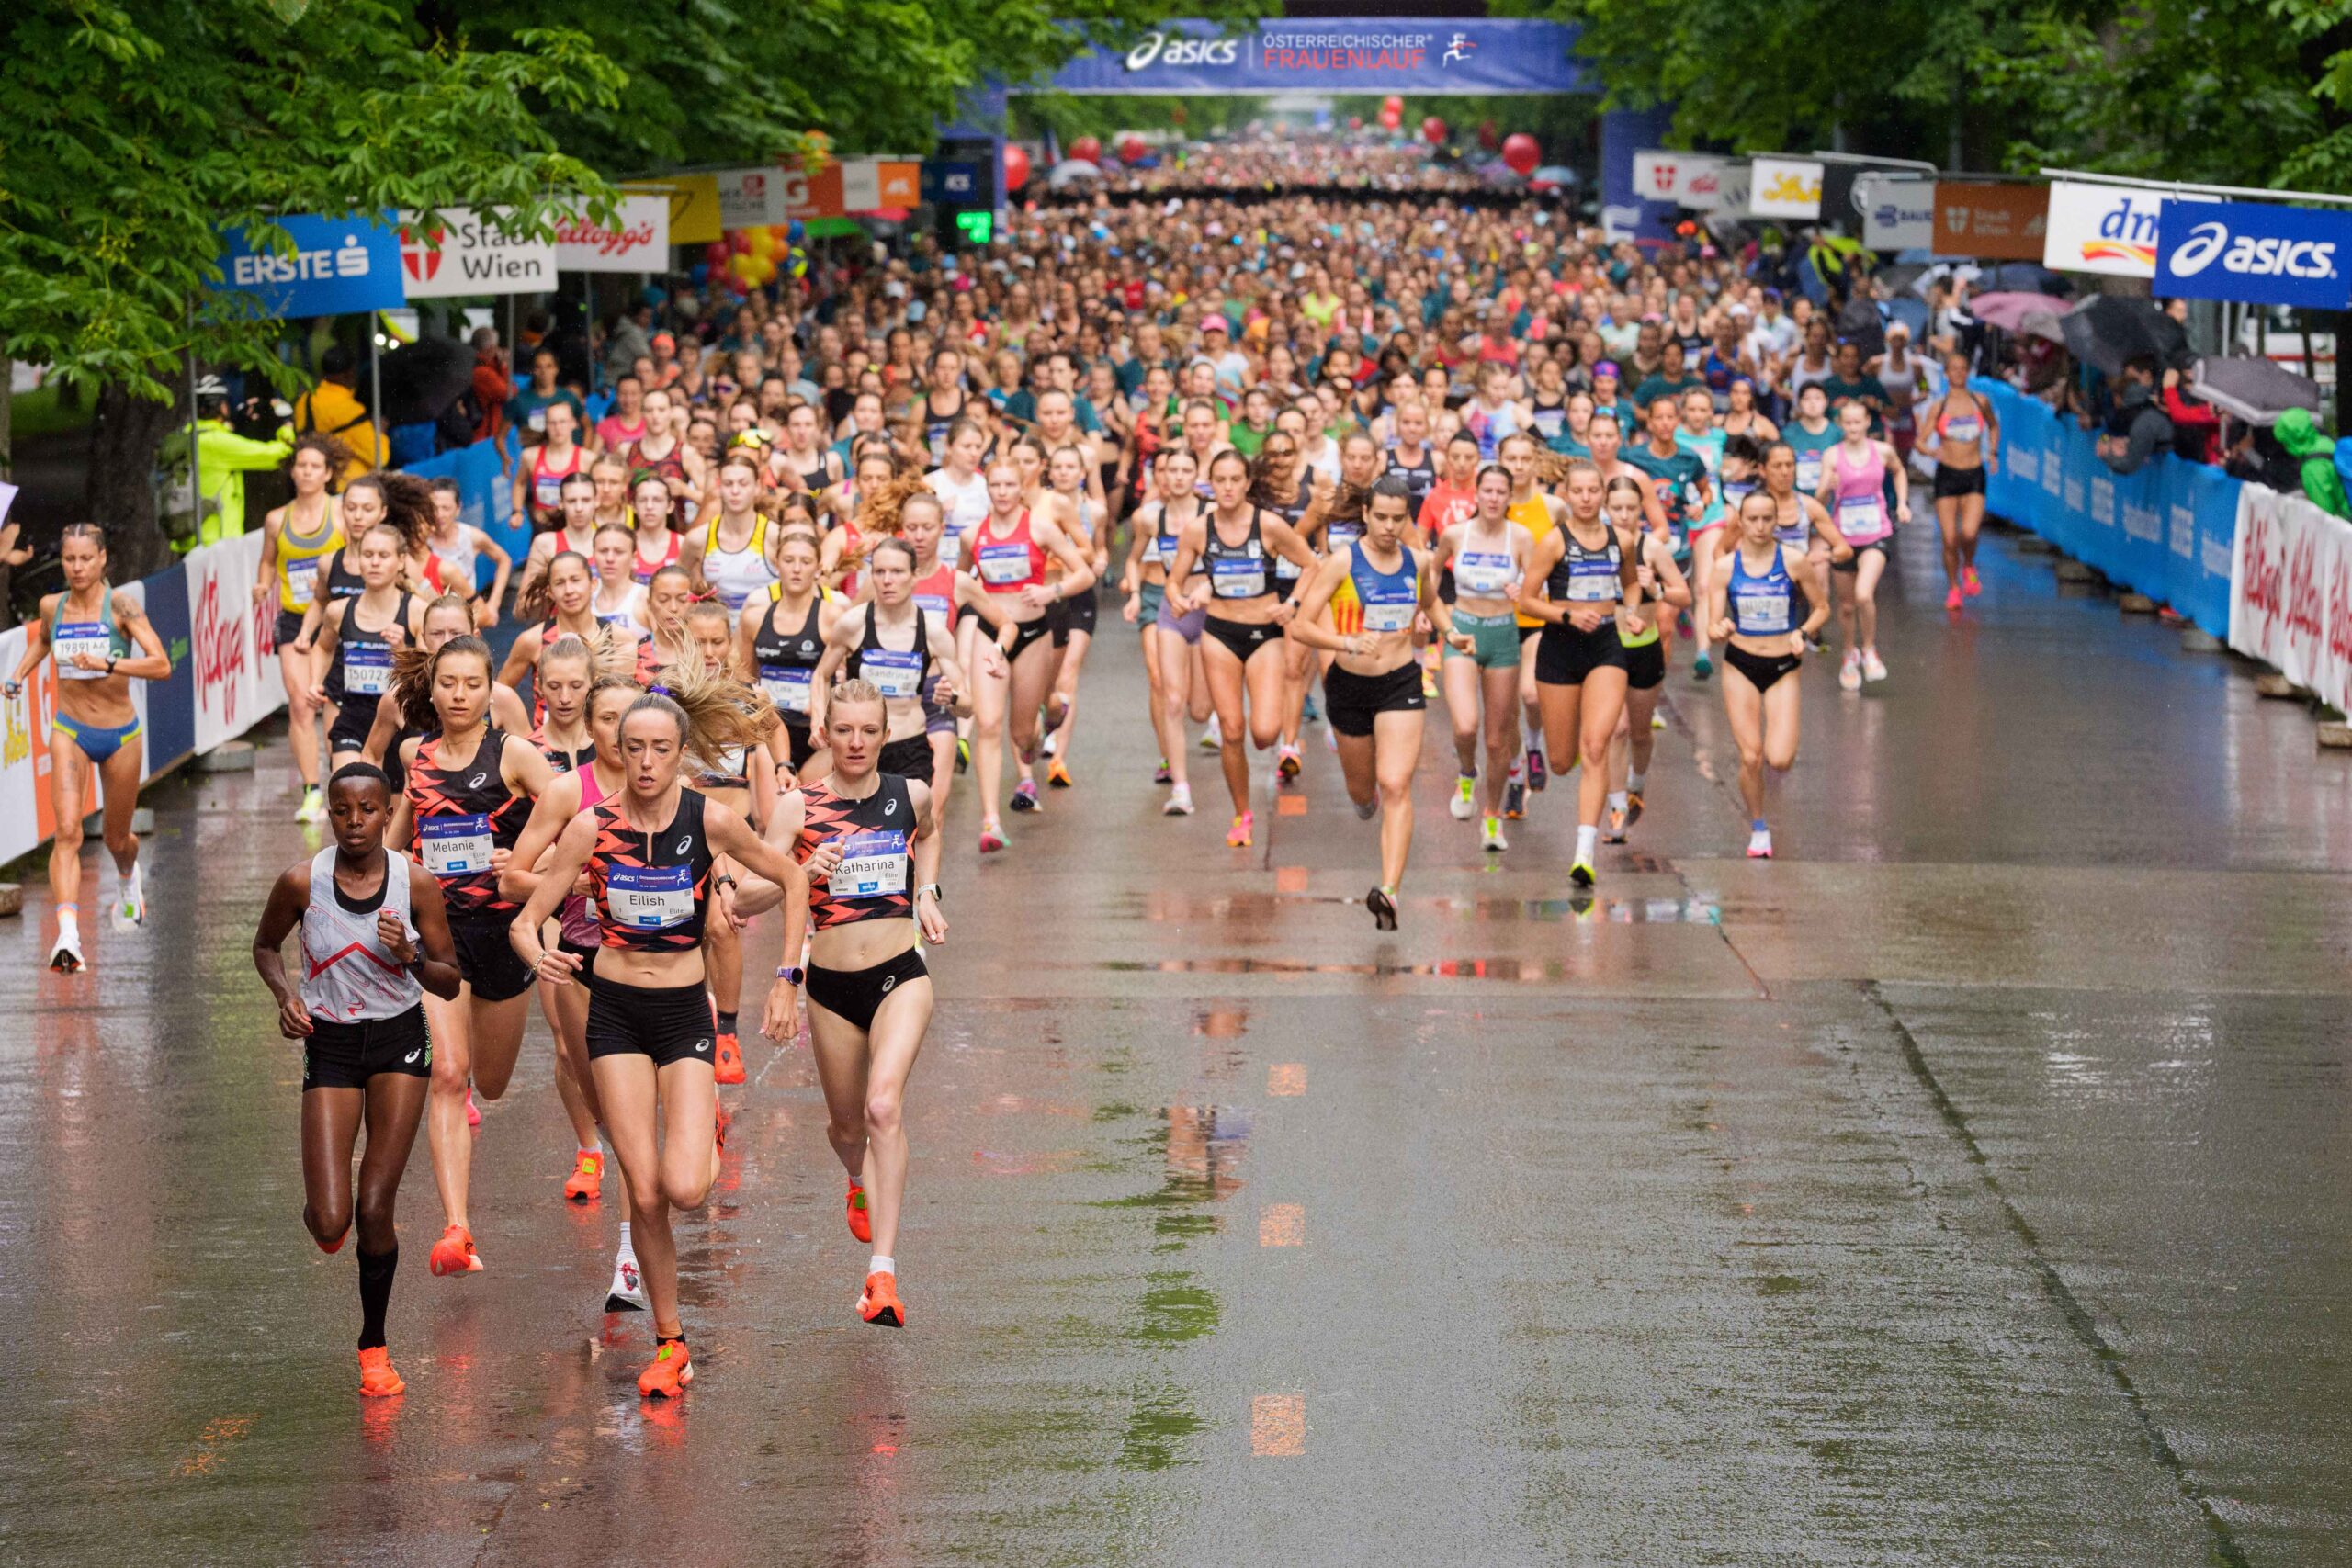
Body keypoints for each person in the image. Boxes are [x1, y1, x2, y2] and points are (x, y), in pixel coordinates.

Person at [509, 668, 809, 1394]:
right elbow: (522, 914)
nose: (646, 762)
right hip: (613, 1012)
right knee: (643, 1192)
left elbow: (794, 879)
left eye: (661, 749)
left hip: (682, 1017)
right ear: (617, 745)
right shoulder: (590, 825)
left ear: (681, 753)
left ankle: (699, 1128)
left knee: (683, 1187)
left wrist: (786, 978)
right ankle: (671, 1342)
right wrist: (541, 953)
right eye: (634, 746)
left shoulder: (709, 821)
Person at [251, 761, 460, 1397]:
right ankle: (323, 1207)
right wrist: (285, 995)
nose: (355, 821)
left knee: (375, 1206)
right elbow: (264, 946)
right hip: (331, 1045)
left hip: (399, 1039)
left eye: (369, 809)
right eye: (343, 810)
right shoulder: (301, 882)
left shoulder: (413, 882)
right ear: (330, 815)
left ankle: (373, 1346)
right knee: (331, 1219)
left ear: (388, 809)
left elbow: (449, 976)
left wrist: (411, 956)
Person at [745, 680, 945, 1327]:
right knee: (847, 1127)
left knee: (883, 1104)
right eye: (845, 730)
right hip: (830, 987)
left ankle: (881, 1274)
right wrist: (801, 873)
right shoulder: (798, 809)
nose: (856, 742)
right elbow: (746, 896)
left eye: (869, 730)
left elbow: (930, 835)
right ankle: (857, 1178)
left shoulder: (909, 796)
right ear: (824, 733)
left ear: (886, 735)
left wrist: (927, 891)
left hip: (899, 974)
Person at [387, 635, 559, 1280]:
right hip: (440, 937)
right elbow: (394, 842)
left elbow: (579, 819)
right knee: (448, 1074)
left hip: (502, 934)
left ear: (492, 691)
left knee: (489, 1080)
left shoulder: (513, 754)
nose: (459, 695)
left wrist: (529, 862)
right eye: (448, 684)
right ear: (431, 691)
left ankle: (460, 1217)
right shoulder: (418, 757)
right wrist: (398, 863)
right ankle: (456, 1226)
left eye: (471, 684)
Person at [1286, 476, 1457, 929]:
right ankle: (1365, 802)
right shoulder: (1342, 563)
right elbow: (1302, 627)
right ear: (1365, 514)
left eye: (1397, 519)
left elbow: (1433, 603)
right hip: (1348, 686)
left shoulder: (1417, 561)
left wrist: (1451, 630)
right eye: (1379, 516)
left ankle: (1390, 891)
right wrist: (1344, 642)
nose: (1387, 526)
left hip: (1400, 682)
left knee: (1396, 782)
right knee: (1365, 793)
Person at [6, 525, 172, 969]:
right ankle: (68, 938)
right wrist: (18, 674)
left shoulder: (120, 606)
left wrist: (109, 661)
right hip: (70, 729)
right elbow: (43, 639)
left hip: (120, 734)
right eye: (68, 560)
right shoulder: (51, 605)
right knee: (67, 832)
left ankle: (126, 876)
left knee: (117, 838)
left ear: (102, 560)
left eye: (85, 559)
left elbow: (161, 664)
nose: (77, 568)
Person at [1163, 450, 1319, 847]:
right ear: (1210, 485)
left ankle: (1279, 745)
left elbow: (1311, 564)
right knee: (1232, 729)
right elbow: (1173, 579)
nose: (1229, 487)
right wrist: (1178, 598)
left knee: (1264, 733)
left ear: (1248, 483)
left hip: (1263, 633)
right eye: (1221, 480)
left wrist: (1293, 604)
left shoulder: (1268, 525)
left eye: (1236, 479)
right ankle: (1242, 814)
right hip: (1219, 633)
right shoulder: (1199, 530)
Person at [957, 460, 1095, 851]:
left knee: (1021, 735)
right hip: (991, 631)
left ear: (1022, 487)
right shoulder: (972, 535)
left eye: (1009, 485)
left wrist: (1052, 592)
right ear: (987, 488)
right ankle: (991, 822)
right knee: (987, 724)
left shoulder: (1039, 526)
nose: (1001, 492)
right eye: (995, 485)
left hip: (1034, 632)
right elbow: (961, 581)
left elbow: (1083, 573)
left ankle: (1046, 718)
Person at [1520, 462, 1639, 883]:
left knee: (1595, 747)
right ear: (1567, 494)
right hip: (1560, 649)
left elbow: (1631, 585)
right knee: (1562, 760)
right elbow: (1527, 601)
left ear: (1603, 495)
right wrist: (1567, 615)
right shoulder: (1554, 542)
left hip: (1606, 646)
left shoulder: (1621, 540)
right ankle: (1535, 752)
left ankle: (1584, 853)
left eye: (1594, 490)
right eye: (1579, 491)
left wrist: (1630, 613)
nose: (1587, 498)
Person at [1708, 490, 1830, 860]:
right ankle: (1759, 827)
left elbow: (1821, 608)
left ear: (1776, 521)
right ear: (1740, 523)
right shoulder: (1726, 567)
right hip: (1741, 662)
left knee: (1778, 759)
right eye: (1753, 519)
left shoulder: (1793, 562)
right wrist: (1720, 628)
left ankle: (1765, 797)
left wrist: (1803, 632)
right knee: (1751, 756)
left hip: (1782, 666)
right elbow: (1712, 623)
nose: (1760, 526)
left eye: (1767, 519)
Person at [1429, 464, 1533, 846]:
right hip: (1463, 633)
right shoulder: (1457, 534)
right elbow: (1434, 572)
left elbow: (1535, 583)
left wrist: (1522, 590)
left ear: (1509, 497)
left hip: (1504, 635)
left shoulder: (1520, 537)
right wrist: (1430, 613)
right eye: (1486, 491)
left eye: (1499, 492)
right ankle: (1466, 773)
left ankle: (1492, 815)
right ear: (1476, 495)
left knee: (1497, 739)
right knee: (1465, 727)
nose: (1492, 498)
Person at [254, 436, 345, 821]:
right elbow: (267, 561)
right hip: (293, 618)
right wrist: (262, 585)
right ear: (293, 471)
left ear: (327, 473)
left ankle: (341, 786)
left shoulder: (341, 513)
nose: (306, 472)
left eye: (314, 466)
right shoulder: (277, 519)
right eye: (301, 465)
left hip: (336, 618)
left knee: (332, 705)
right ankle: (310, 790)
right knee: (299, 703)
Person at [1601, 476, 1691, 841]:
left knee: (1639, 732)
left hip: (1645, 648)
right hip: (1606, 647)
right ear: (1606, 509)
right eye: (1617, 508)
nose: (1623, 515)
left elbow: (1683, 596)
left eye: (1630, 508)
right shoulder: (1596, 546)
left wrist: (1655, 587)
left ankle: (1637, 783)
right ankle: (1617, 805)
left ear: (1641, 510)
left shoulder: (1651, 548)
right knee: (1616, 729)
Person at [1124, 447, 1212, 814]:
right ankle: (1181, 788)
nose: (1177, 476)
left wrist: (1209, 588)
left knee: (1201, 710)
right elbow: (1132, 558)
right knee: (1171, 699)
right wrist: (1132, 593)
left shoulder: (1211, 515)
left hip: (1207, 611)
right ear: (1162, 476)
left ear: (1195, 475)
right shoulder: (1149, 517)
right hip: (1170, 609)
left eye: (1185, 470)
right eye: (1171, 470)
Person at [309, 523, 424, 761]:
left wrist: (402, 650)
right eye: (368, 555)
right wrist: (314, 682)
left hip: (398, 720)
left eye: (383, 556)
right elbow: (322, 647)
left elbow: (428, 675)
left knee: (388, 798)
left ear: (401, 561)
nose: (374, 562)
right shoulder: (338, 610)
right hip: (353, 716)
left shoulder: (417, 611)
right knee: (349, 788)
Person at [1818, 400, 1909, 691]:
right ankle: (1849, 654)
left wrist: (1903, 503)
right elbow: (1819, 502)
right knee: (1845, 607)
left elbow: (1899, 471)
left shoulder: (1881, 451)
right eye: (1848, 423)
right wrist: (1826, 487)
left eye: (1858, 422)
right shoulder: (1832, 456)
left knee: (1863, 594)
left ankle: (1869, 650)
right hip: (1842, 538)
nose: (1853, 428)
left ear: (1868, 422)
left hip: (1875, 534)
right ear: (1841, 425)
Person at [1916, 349, 1999, 610]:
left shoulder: (1980, 401)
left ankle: (1970, 565)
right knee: (1950, 538)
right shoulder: (1939, 407)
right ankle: (1953, 588)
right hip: (1947, 475)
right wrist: (1930, 450)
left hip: (1974, 473)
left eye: (1963, 368)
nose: (1959, 373)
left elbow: (1994, 426)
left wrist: (1992, 452)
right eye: (1954, 368)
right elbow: (1920, 441)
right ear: (1946, 373)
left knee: (1970, 531)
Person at [173, 376, 293, 550]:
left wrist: (235, 423)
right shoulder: (217, 443)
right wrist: (286, 423)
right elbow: (281, 455)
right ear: (221, 406)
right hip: (217, 543)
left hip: (190, 539)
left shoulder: (186, 435)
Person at [681, 454, 782, 614]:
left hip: (764, 632)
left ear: (757, 487)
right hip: (717, 634)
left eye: (743, 484)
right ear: (719, 487)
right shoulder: (698, 539)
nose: (735, 491)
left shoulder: (775, 536)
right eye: (728, 484)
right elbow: (676, 586)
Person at [424, 477, 512, 629]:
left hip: (466, 620)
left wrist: (493, 604)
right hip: (430, 620)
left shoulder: (471, 537)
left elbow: (504, 560)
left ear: (458, 509)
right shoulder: (422, 540)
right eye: (433, 508)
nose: (439, 515)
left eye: (446, 508)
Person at [292, 346, 385, 483]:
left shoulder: (305, 400)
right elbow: (380, 456)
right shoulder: (349, 410)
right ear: (350, 373)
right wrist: (379, 431)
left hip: (311, 481)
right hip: (345, 485)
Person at [515, 401, 588, 535]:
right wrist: (517, 511)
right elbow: (519, 483)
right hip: (543, 528)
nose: (558, 428)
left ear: (573, 423)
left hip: (576, 529)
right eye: (552, 423)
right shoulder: (530, 456)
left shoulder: (588, 459)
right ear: (546, 425)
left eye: (562, 422)